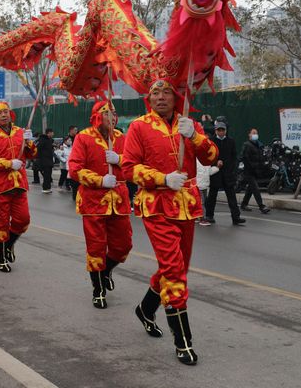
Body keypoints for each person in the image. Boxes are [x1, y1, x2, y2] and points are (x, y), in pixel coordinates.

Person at [121, 79, 219, 366]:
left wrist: (197, 137)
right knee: (174, 270)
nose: (161, 97)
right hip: (156, 205)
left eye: (166, 92)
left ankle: (145, 309)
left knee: (175, 267)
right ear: (148, 98)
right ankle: (183, 341)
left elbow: (212, 155)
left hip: (186, 207)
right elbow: (129, 168)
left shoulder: (190, 124)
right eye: (155, 93)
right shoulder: (139, 126)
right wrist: (161, 178)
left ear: (176, 97)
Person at [68, 101, 133, 309]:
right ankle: (98, 289)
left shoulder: (122, 138)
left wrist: (120, 159)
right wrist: (100, 180)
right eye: (107, 114)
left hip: (119, 201)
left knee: (124, 246)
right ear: (97, 117)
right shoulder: (83, 137)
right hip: (93, 201)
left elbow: (134, 164)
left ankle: (105, 271)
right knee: (96, 247)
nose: (112, 118)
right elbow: (74, 169)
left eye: (114, 114)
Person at [0, 102, 37, 272]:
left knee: (23, 220)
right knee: (1, 223)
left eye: (6, 112)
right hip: (0, 186)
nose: (3, 115)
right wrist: (9, 163)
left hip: (19, 184)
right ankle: (1, 258)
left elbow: (32, 154)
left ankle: (9, 243)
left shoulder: (20, 132)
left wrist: (30, 142)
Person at [200, 121, 245, 226]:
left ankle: (236, 217)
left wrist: (233, 170)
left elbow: (234, 157)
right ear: (215, 131)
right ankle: (209, 215)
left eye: (222, 130)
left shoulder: (231, 141)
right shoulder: (211, 141)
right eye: (218, 130)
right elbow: (207, 157)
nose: (221, 132)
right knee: (212, 196)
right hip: (216, 172)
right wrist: (216, 163)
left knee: (231, 197)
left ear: (225, 131)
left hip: (228, 174)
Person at [239, 128, 270, 214]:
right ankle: (261, 206)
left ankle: (244, 204)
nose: (255, 134)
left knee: (250, 188)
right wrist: (251, 166)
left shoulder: (259, 145)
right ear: (249, 135)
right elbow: (244, 157)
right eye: (253, 133)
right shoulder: (247, 145)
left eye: (256, 133)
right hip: (249, 171)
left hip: (256, 171)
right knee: (255, 188)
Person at [36, 128, 56, 193]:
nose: (53, 134)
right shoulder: (43, 140)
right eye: (52, 132)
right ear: (49, 133)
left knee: (49, 175)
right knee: (46, 175)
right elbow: (38, 149)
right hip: (44, 161)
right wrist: (40, 159)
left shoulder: (49, 140)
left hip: (49, 160)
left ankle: (48, 188)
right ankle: (45, 188)